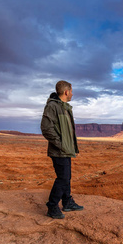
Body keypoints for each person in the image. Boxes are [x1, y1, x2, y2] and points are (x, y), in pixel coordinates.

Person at [41, 80, 83, 219]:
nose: (72, 93)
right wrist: (61, 144)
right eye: (71, 91)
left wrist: (67, 146)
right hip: (59, 150)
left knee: (67, 177)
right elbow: (46, 129)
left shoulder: (64, 107)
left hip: (65, 149)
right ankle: (52, 206)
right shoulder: (53, 106)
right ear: (66, 92)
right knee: (63, 178)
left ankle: (67, 202)